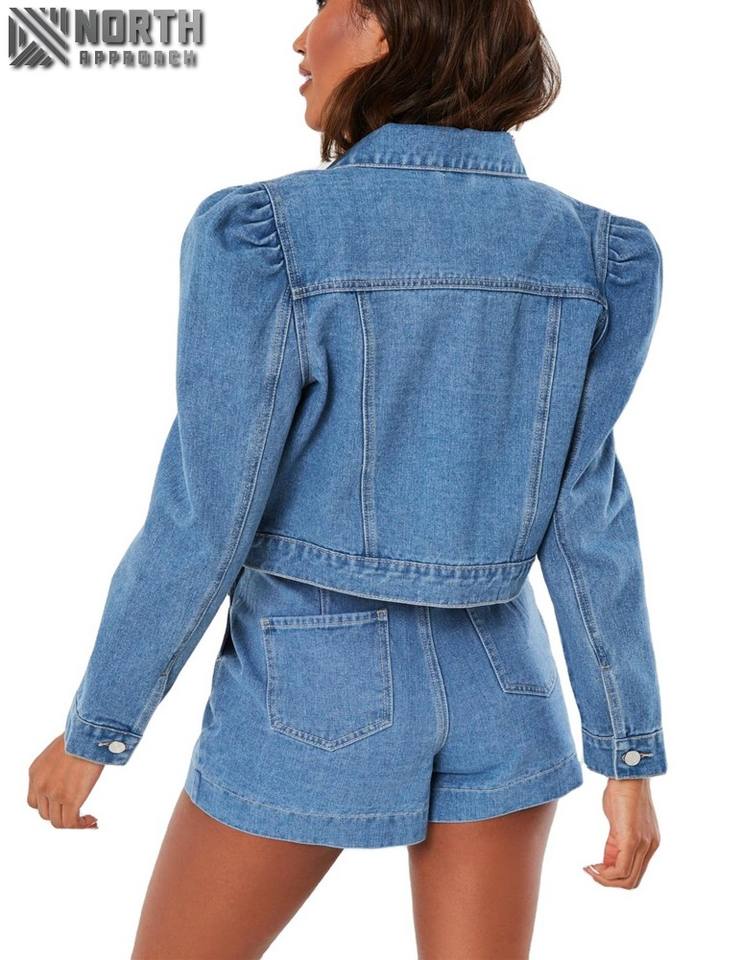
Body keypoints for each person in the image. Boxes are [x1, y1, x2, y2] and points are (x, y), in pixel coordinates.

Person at [28, 1, 668, 957]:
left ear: (384, 32)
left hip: (311, 683)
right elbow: (589, 523)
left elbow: (206, 514)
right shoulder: (595, 252)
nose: (299, 38)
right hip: (505, 682)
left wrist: (99, 728)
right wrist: (626, 754)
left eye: (324, 7)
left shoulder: (270, 235)